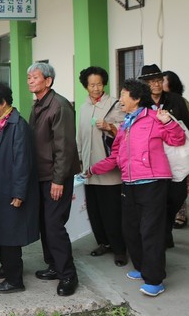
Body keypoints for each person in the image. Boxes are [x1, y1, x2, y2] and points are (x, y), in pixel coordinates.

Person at [86, 78, 185, 297]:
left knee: (151, 231)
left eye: (123, 95)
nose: (119, 99)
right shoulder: (126, 124)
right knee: (130, 229)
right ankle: (141, 267)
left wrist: (168, 122)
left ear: (136, 98)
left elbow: (178, 139)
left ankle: (155, 279)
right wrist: (93, 169)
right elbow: (115, 156)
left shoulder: (154, 118)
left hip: (153, 183)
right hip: (129, 184)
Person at [0, 82, 39, 294]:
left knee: (10, 236)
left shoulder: (17, 126)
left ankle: (15, 280)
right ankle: (6, 268)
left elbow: (23, 162)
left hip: (11, 190)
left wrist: (19, 193)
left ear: (3, 102)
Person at [27, 62, 81, 297]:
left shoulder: (59, 105)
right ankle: (53, 266)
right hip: (41, 175)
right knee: (44, 224)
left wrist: (58, 180)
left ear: (48, 81)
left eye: (35, 77)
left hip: (55, 177)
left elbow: (65, 148)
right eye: (29, 77)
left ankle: (68, 275)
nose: (30, 80)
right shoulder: (39, 104)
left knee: (54, 225)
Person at [138, 64, 189, 249]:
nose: (156, 84)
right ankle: (160, 236)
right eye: (151, 81)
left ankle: (166, 229)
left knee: (177, 195)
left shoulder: (176, 101)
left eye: (159, 80)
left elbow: (188, 128)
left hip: (175, 158)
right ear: (144, 84)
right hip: (152, 161)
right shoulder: (140, 103)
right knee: (156, 200)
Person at [76, 66, 127, 266]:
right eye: (91, 85)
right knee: (95, 211)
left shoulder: (115, 105)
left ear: (104, 83)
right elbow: (80, 136)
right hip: (89, 169)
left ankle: (120, 249)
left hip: (109, 170)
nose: (96, 88)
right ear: (86, 86)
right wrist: (80, 160)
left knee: (112, 211)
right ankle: (103, 242)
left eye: (99, 84)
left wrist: (110, 127)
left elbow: (126, 132)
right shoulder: (83, 107)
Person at [163, 70, 189, 229]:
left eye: (163, 81)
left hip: (179, 149)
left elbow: (187, 128)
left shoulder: (181, 102)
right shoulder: (159, 101)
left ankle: (181, 214)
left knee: (179, 182)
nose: (159, 84)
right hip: (165, 151)